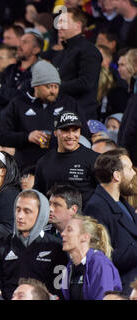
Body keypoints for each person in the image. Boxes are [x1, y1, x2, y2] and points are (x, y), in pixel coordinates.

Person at [0, 59, 82, 170]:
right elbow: (2, 136)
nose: (53, 91)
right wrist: (27, 137)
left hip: (61, 166)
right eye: (48, 86)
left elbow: (83, 133)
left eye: (56, 86)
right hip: (27, 167)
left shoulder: (68, 103)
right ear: (36, 86)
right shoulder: (19, 104)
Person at [0, 189, 69, 300]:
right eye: (18, 209)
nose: (20, 216)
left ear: (40, 214)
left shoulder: (56, 246)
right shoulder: (1, 244)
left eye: (27, 211)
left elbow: (61, 287)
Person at [83, 148, 137, 295]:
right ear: (116, 175)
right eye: (130, 169)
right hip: (121, 289)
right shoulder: (96, 207)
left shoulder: (121, 203)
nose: (134, 173)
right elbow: (103, 258)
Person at [33, 111, 99, 206]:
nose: (71, 136)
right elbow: (39, 198)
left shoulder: (94, 159)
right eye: (65, 130)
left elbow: (104, 195)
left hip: (85, 219)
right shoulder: (44, 163)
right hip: (53, 220)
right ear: (55, 132)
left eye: (75, 130)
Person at [50, 8, 103, 121]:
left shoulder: (89, 50)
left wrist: (55, 87)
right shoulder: (62, 53)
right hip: (60, 113)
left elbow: (86, 83)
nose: (58, 26)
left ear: (78, 25)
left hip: (80, 116)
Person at [60, 215, 122, 300]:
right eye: (64, 230)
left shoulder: (100, 263)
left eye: (69, 230)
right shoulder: (70, 266)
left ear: (85, 237)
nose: (62, 234)